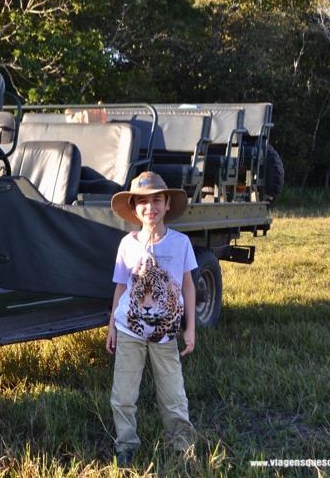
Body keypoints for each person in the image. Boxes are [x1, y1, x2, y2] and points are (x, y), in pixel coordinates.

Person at [106, 171, 197, 465]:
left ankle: (181, 445)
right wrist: (111, 327)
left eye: (156, 200)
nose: (150, 207)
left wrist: (190, 327)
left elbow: (187, 285)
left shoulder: (181, 243)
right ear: (134, 208)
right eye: (142, 202)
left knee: (173, 394)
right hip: (129, 331)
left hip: (166, 333)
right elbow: (121, 286)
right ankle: (125, 444)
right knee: (123, 393)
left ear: (167, 203)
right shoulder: (126, 244)